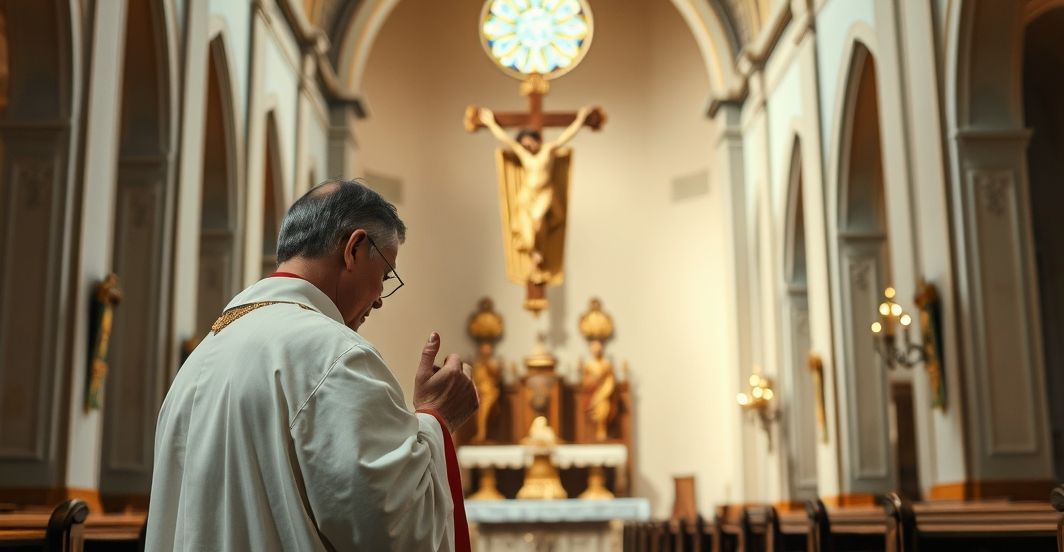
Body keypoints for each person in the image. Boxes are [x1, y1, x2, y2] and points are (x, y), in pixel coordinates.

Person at [147, 180, 479, 551]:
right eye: (385, 276)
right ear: (354, 248)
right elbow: (391, 529)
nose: (380, 300)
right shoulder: (334, 354)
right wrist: (437, 417)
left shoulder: (201, 357)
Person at [478, 106, 593, 269]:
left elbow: (566, 136)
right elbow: (506, 140)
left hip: (544, 193)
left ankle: (538, 251)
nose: (528, 148)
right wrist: (491, 124)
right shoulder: (524, 155)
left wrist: (580, 120)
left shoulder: (547, 150)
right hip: (528, 195)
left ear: (535, 139)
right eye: (524, 146)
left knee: (538, 220)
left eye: (529, 144)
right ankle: (534, 253)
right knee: (527, 227)